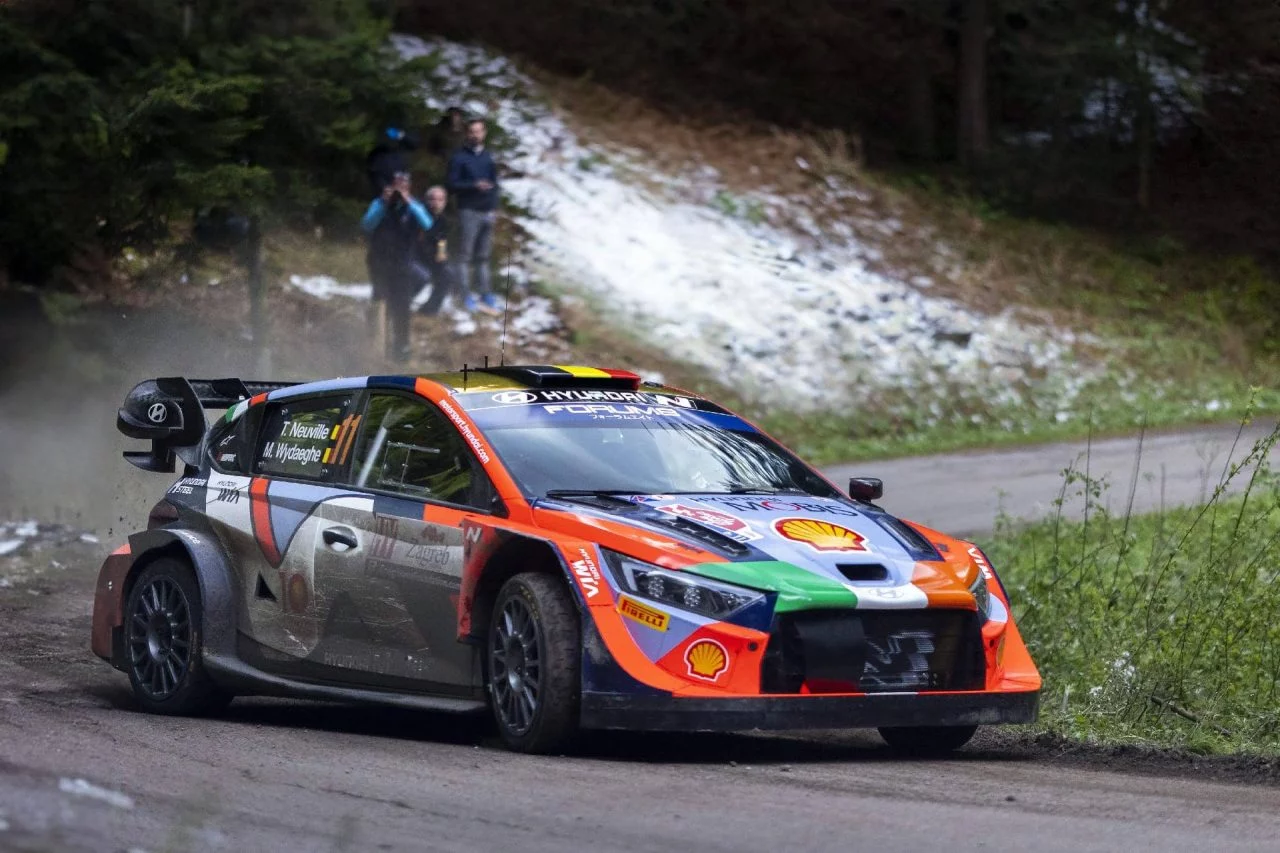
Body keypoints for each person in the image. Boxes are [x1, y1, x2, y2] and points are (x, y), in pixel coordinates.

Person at [361, 171, 433, 362]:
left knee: (402, 307)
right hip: (379, 262)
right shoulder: (379, 204)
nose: (399, 190)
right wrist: (385, 202)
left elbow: (427, 224)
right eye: (396, 185)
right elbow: (367, 224)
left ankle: (401, 349)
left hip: (403, 265)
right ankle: (375, 347)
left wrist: (408, 201)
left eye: (403, 186)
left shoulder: (413, 207)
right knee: (379, 302)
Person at [446, 118, 501, 315]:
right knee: (464, 255)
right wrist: (473, 185)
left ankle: (486, 293)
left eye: (478, 131)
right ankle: (464, 294)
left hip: (487, 211)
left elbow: (495, 183)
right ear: (466, 134)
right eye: (471, 132)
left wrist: (494, 207)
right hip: (468, 210)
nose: (475, 135)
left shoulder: (488, 156)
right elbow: (451, 185)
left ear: (484, 133)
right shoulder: (459, 158)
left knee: (483, 256)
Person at [415, 186, 454, 316]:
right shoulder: (419, 216)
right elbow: (418, 242)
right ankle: (399, 302)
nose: (435, 203)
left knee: (447, 274)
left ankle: (430, 310)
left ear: (444, 202)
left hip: (432, 257)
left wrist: (442, 253)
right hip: (415, 256)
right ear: (426, 200)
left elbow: (442, 240)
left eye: (439, 200)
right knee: (422, 275)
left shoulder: (443, 220)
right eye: (432, 199)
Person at [366, 127, 418, 197]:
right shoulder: (378, 155)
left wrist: (400, 135)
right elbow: (375, 173)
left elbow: (414, 143)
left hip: (400, 169)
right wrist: (384, 187)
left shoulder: (403, 127)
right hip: (383, 180)